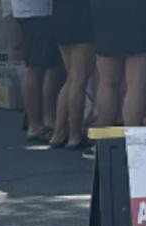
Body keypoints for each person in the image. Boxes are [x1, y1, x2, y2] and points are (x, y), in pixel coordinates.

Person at [90, 0, 146, 132]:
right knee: (136, 82)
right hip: (139, 10)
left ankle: (102, 141)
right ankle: (131, 142)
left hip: (105, 9)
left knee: (107, 82)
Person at [12, 0, 65, 144]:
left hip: (38, 13)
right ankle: (35, 124)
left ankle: (47, 119)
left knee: (54, 66)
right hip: (36, 13)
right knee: (35, 67)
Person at [49, 0, 94, 150]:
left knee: (71, 78)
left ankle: (59, 131)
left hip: (60, 15)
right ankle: (74, 135)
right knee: (78, 79)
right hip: (81, 17)